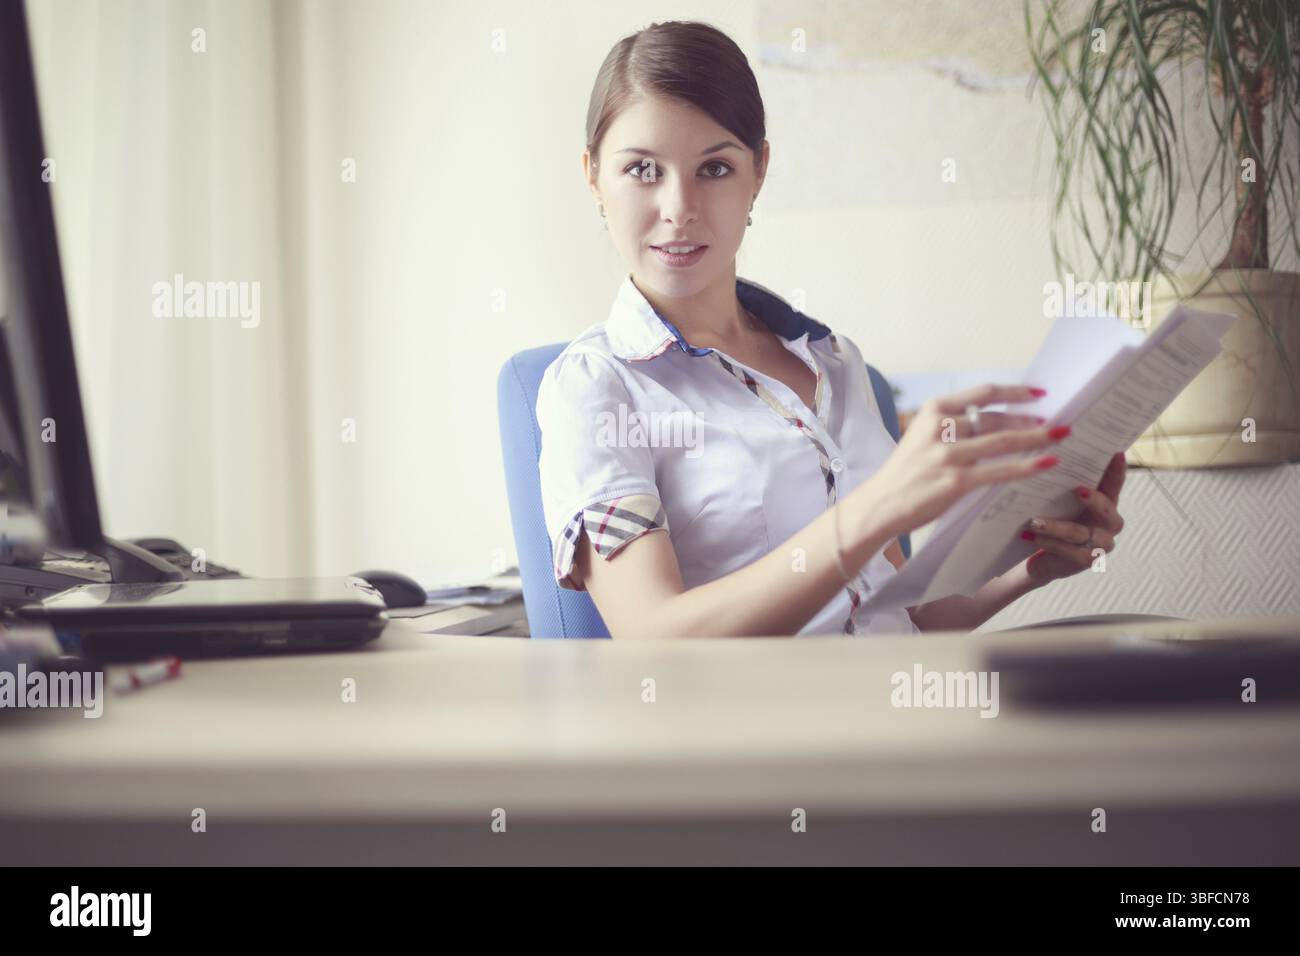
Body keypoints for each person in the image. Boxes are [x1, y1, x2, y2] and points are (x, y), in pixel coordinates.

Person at [536, 20, 1126, 639]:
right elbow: (655, 637)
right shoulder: (595, 388)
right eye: (642, 170)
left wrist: (1032, 566)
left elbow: (904, 610)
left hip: (903, 702)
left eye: (714, 169)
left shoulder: (834, 361)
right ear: (593, 176)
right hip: (782, 726)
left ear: (758, 172)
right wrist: (878, 508)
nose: (679, 207)